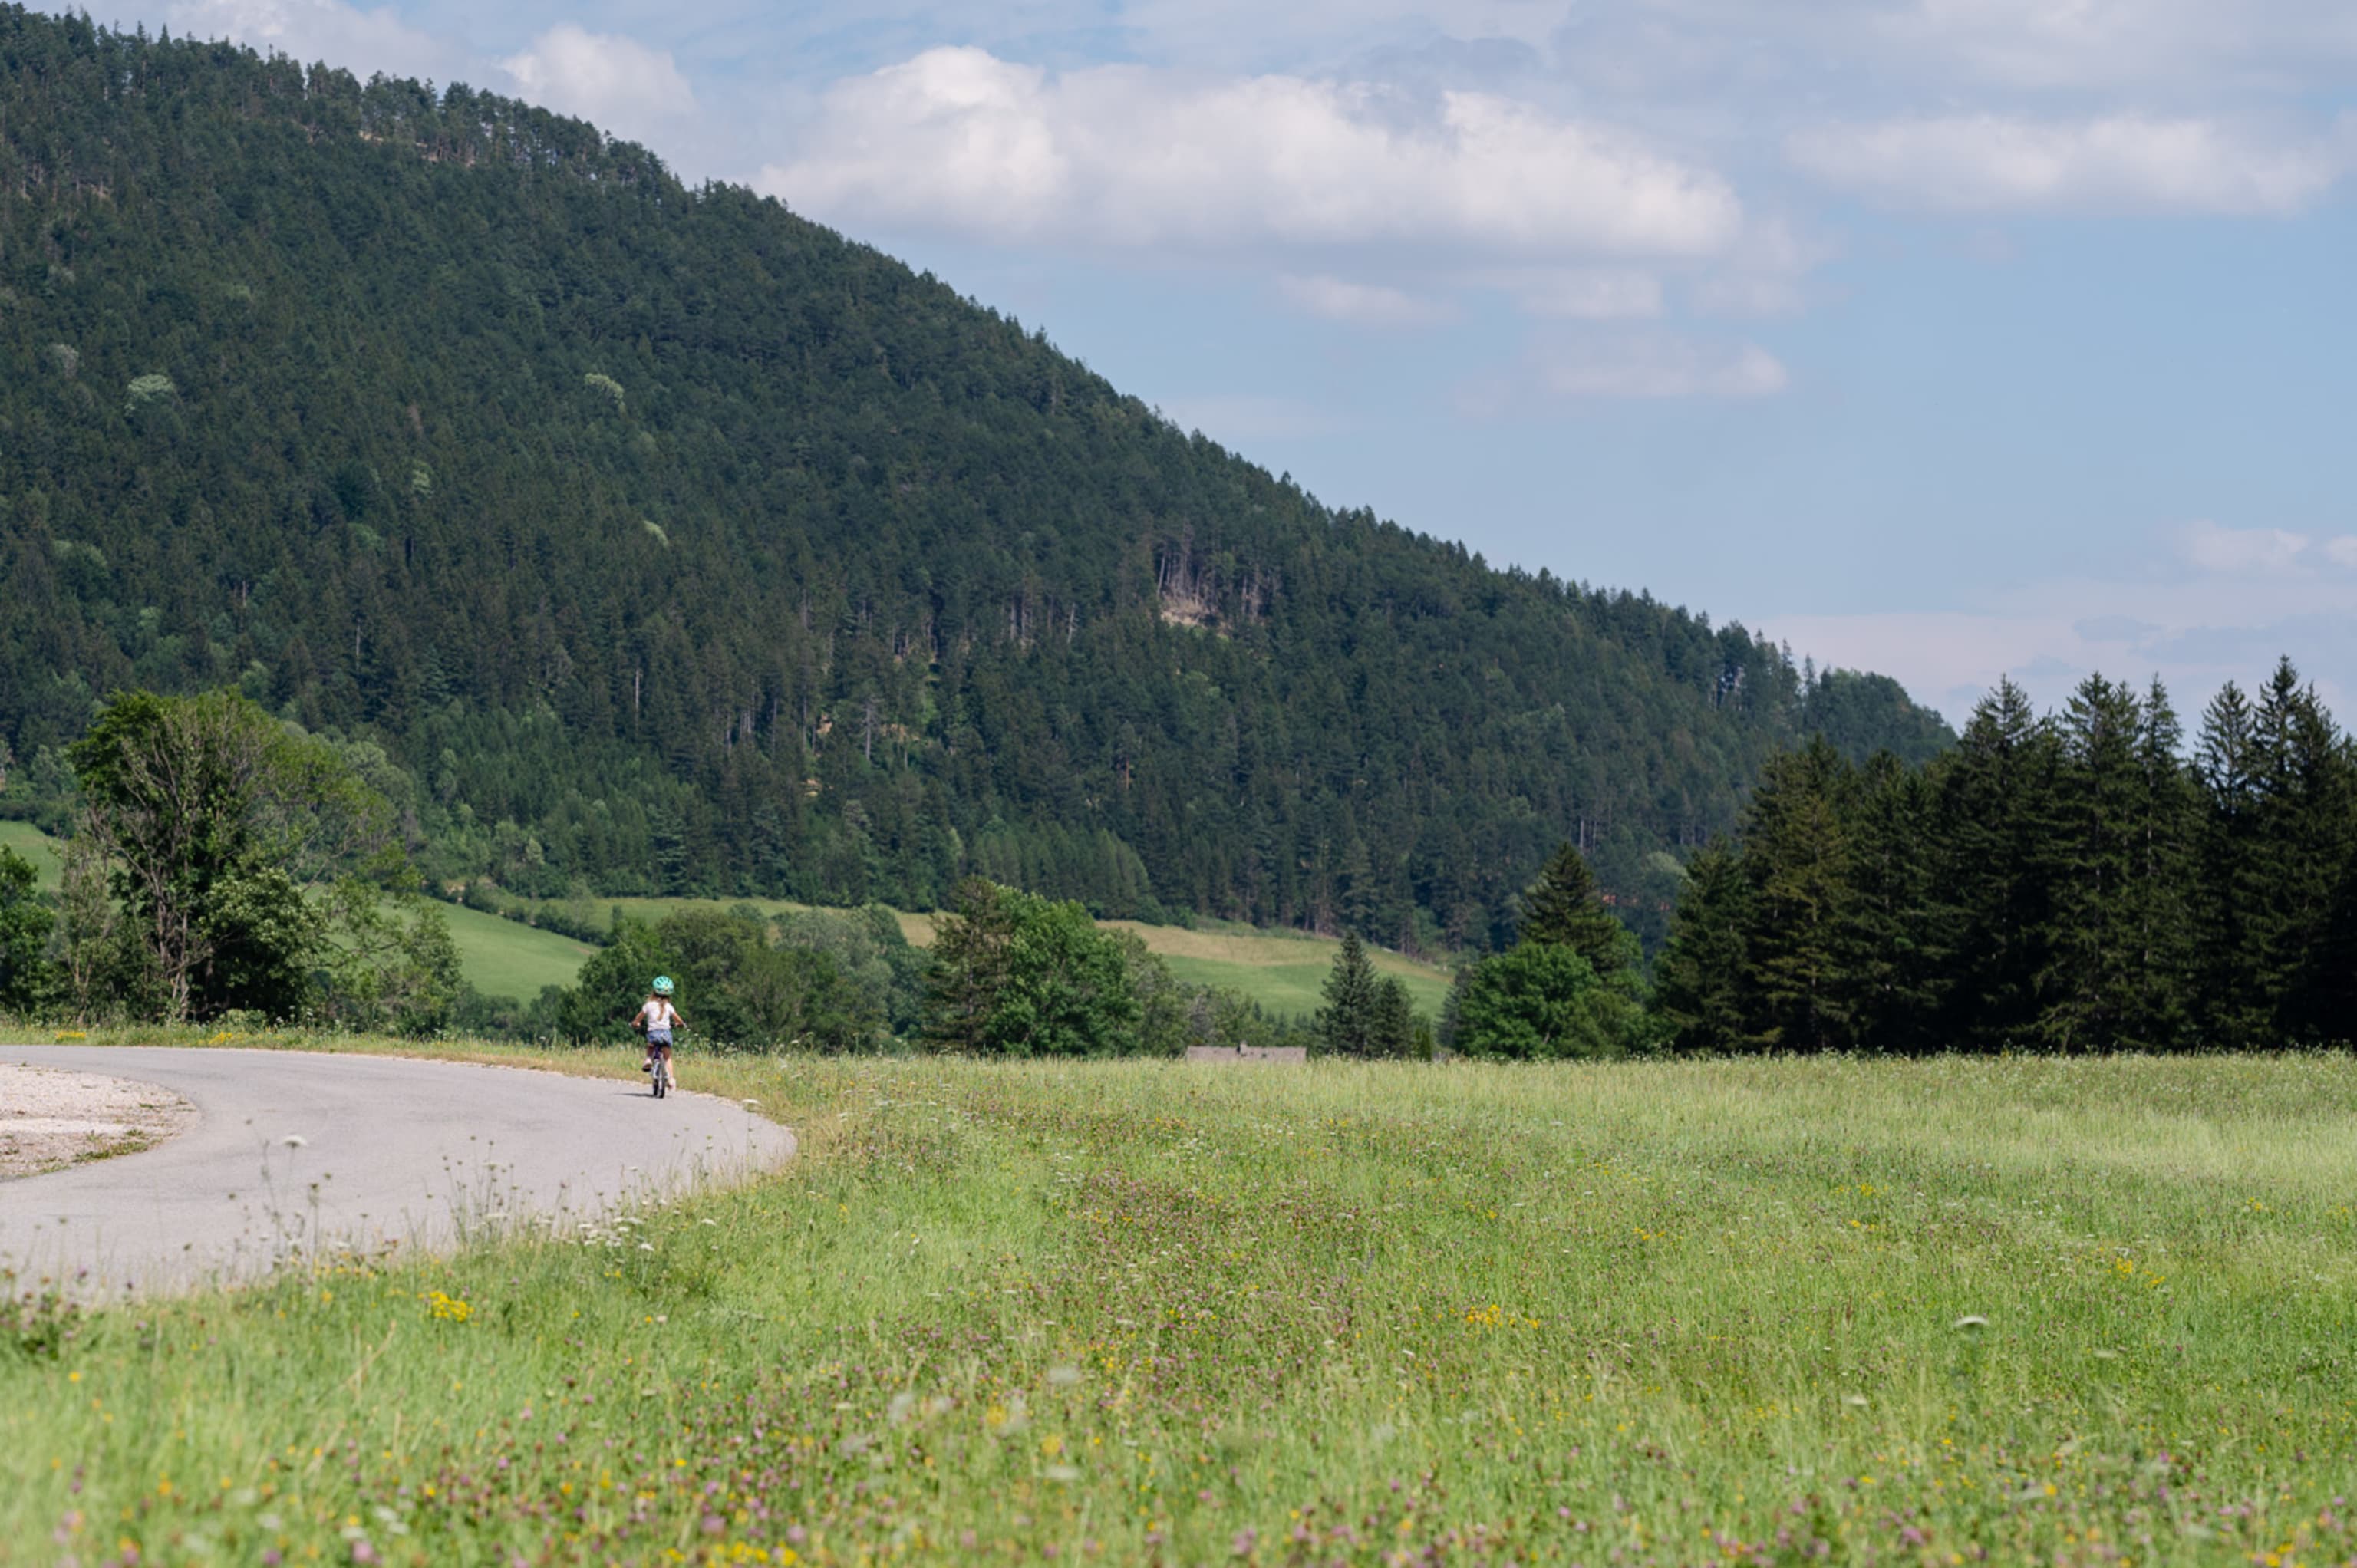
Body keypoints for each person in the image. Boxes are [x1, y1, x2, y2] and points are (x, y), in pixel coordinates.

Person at [634, 976, 684, 1091]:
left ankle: (648, 1060)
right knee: (667, 1057)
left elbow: (639, 1018)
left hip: (653, 1034)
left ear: (653, 992)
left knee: (651, 1045)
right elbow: (679, 1020)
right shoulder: (669, 1007)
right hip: (666, 1034)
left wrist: (635, 1023)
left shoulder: (649, 1005)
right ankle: (671, 1079)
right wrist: (680, 1024)